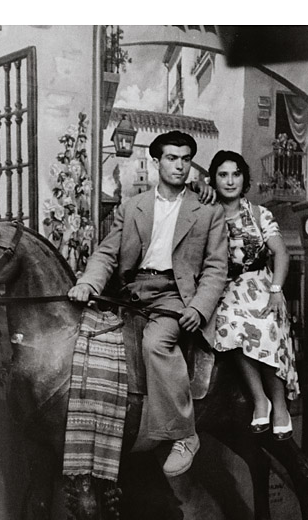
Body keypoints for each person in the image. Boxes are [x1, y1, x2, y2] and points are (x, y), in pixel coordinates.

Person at [68, 131, 228, 477]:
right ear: (157, 162)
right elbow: (107, 254)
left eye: (186, 159)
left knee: (156, 344)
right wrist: (87, 283)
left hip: (175, 294)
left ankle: (185, 434)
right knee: (94, 343)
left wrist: (198, 308)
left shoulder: (206, 211)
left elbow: (216, 268)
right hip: (132, 291)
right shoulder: (132, 207)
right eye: (172, 158)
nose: (180, 166)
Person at [200, 150, 299, 441]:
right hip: (224, 286)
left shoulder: (258, 213)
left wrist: (277, 289)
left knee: (267, 325)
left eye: (236, 174)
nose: (230, 181)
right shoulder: (207, 213)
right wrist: (197, 186)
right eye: (222, 175)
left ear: (244, 179)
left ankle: (279, 405)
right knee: (229, 326)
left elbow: (281, 252)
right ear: (213, 179)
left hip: (260, 283)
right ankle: (260, 400)